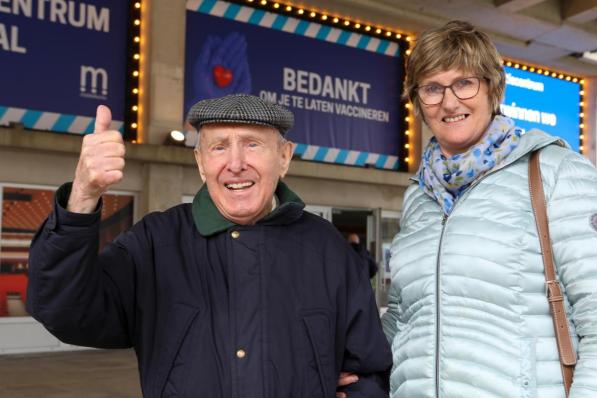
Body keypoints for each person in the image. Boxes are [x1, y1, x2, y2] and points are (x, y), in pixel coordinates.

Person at [26, 94, 391, 397]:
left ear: (284, 157)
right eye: (219, 146)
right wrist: (82, 197)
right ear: (201, 163)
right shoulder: (156, 242)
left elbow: (369, 370)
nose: (235, 163)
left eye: (252, 144)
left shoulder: (326, 248)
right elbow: (66, 312)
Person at [379, 21, 597, 397]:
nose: (449, 102)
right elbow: (402, 316)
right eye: (432, 88)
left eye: (465, 83)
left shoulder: (555, 172)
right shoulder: (419, 194)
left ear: (494, 89)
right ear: (417, 101)